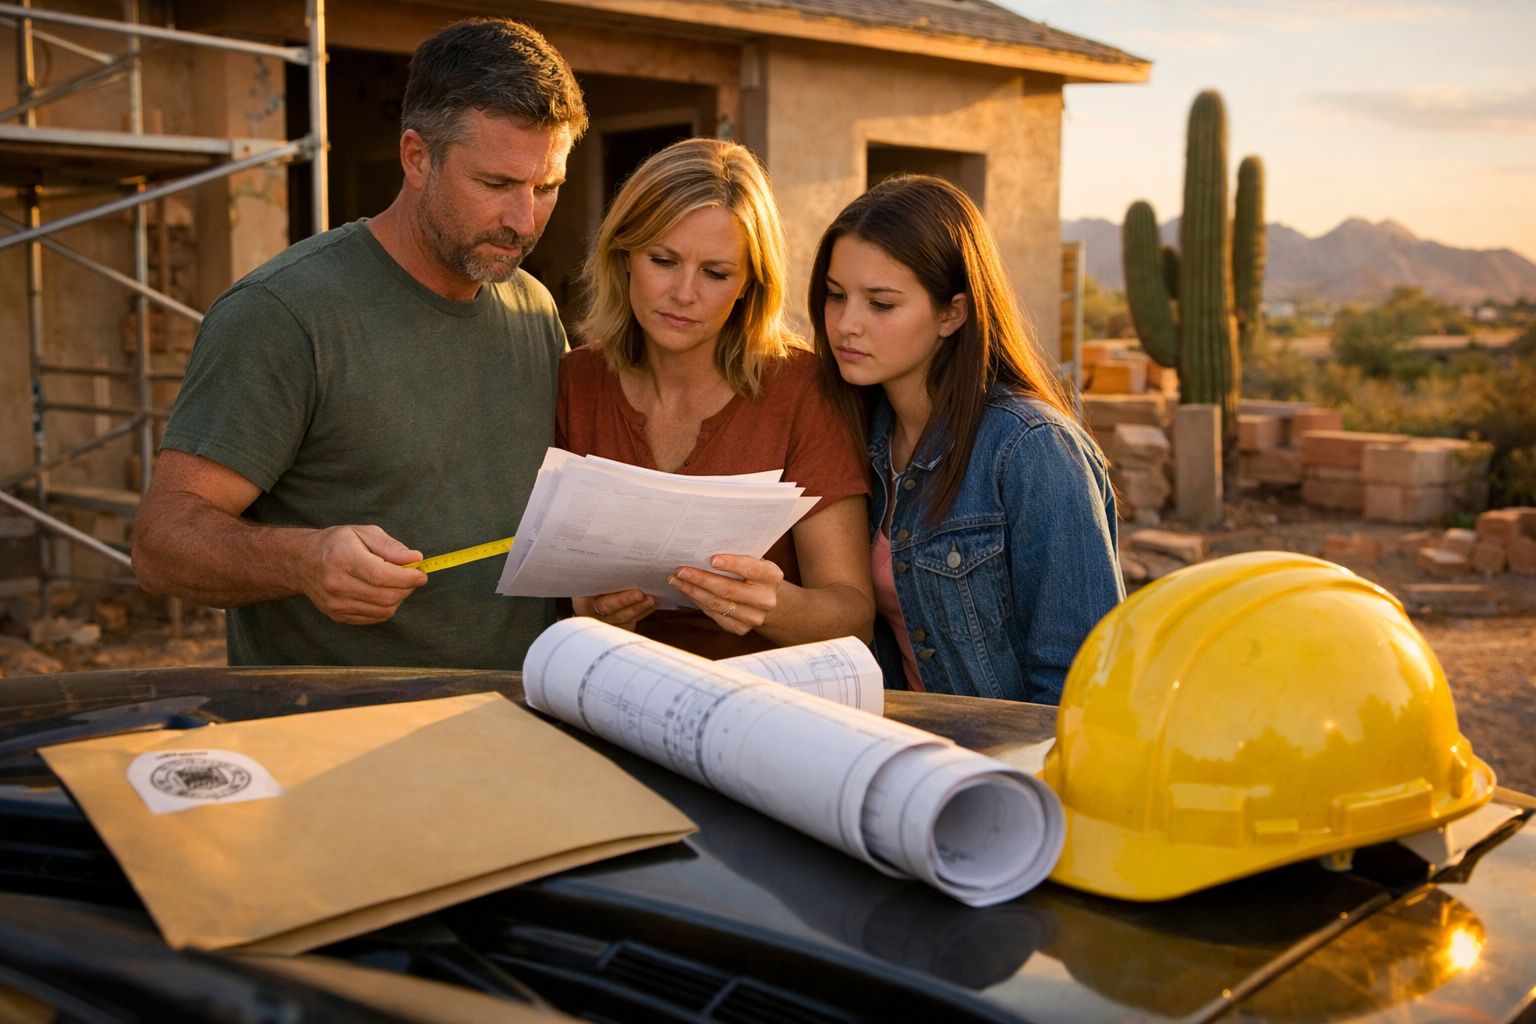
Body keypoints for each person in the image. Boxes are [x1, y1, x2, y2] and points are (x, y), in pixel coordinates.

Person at [131, 18, 587, 668]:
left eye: (547, 188)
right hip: (333, 736)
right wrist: (306, 560)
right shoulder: (283, 313)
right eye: (496, 185)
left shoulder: (534, 308)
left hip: (513, 727)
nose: (524, 221)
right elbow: (162, 543)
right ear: (416, 157)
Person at [809, 175, 1123, 703]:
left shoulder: (1034, 450)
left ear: (952, 313)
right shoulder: (858, 436)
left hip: (1006, 769)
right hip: (894, 754)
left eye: (881, 304)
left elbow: (1082, 683)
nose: (846, 324)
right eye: (836, 296)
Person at [557, 137, 873, 658]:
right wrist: (590, 614)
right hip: (607, 686)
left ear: (750, 282)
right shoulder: (578, 380)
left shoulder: (801, 388)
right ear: (624, 255)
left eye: (716, 273)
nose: (684, 293)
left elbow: (853, 616)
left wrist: (776, 607)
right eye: (663, 260)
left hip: (757, 704)